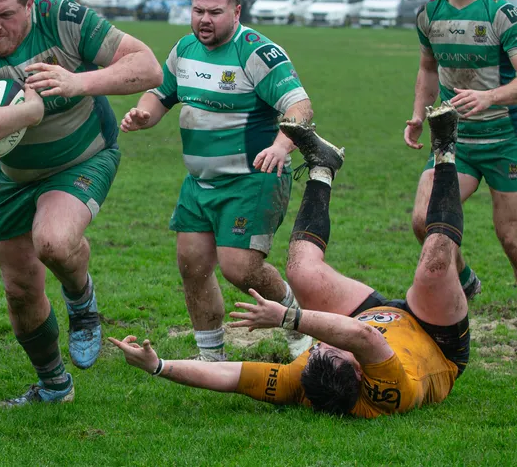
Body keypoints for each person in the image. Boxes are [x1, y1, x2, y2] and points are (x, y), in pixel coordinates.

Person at [112, 109, 470, 418]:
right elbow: (361, 334)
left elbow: (230, 376)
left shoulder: (304, 379)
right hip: (435, 335)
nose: (325, 342)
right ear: (362, 375)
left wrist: (158, 367)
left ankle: (322, 168)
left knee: (301, 272)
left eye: (322, 348)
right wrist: (287, 317)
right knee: (435, 266)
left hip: (375, 316)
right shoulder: (389, 392)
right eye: (335, 350)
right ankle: (446, 150)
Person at [0, 0, 163, 406]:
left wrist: (78, 81)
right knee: (19, 290)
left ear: (30, 5)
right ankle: (54, 386)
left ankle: (81, 300)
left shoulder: (63, 17)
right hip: (13, 176)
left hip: (83, 156)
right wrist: (26, 112)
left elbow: (148, 67)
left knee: (54, 242)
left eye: (5, 15)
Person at [120, 0, 312, 362]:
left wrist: (279, 145)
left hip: (252, 180)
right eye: (198, 11)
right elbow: (162, 93)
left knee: (240, 269)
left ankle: (301, 327)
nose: (204, 19)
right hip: (199, 183)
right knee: (192, 265)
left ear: (237, 11)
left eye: (215, 12)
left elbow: (300, 108)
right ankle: (212, 359)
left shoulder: (256, 53)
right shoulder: (184, 49)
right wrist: (144, 114)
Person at [405, 0, 517, 350]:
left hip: (505, 142)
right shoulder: (430, 15)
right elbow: (429, 69)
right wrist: (418, 114)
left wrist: (490, 97)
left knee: (512, 240)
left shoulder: (501, 13)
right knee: (423, 219)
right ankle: (464, 279)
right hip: (455, 143)